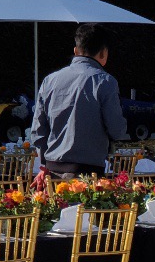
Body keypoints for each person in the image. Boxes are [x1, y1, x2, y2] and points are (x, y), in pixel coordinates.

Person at [30, 23, 127, 187]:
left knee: (55, 205)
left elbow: (38, 131)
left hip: (51, 172)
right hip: (87, 174)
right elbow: (117, 130)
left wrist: (44, 165)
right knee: (85, 206)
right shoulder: (105, 82)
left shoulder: (50, 80)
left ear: (76, 51)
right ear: (104, 53)